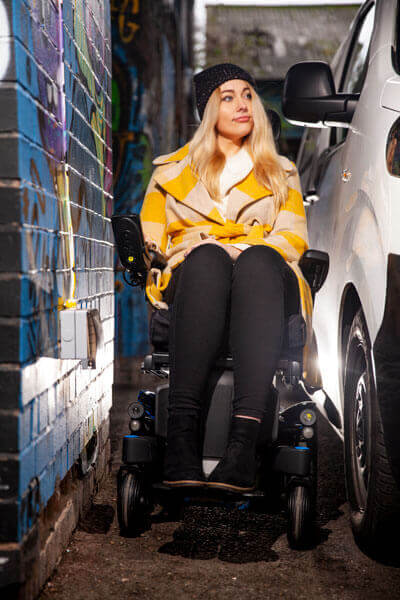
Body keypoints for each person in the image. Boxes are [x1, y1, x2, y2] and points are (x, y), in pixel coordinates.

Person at [140, 63, 314, 493]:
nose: (243, 105)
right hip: (196, 274)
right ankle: (180, 446)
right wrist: (206, 247)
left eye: (248, 95)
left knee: (255, 261)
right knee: (206, 261)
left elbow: (293, 238)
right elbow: (152, 245)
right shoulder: (170, 172)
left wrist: (247, 248)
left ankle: (242, 450)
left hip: (265, 276)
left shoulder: (281, 171)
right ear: (207, 110)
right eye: (228, 96)